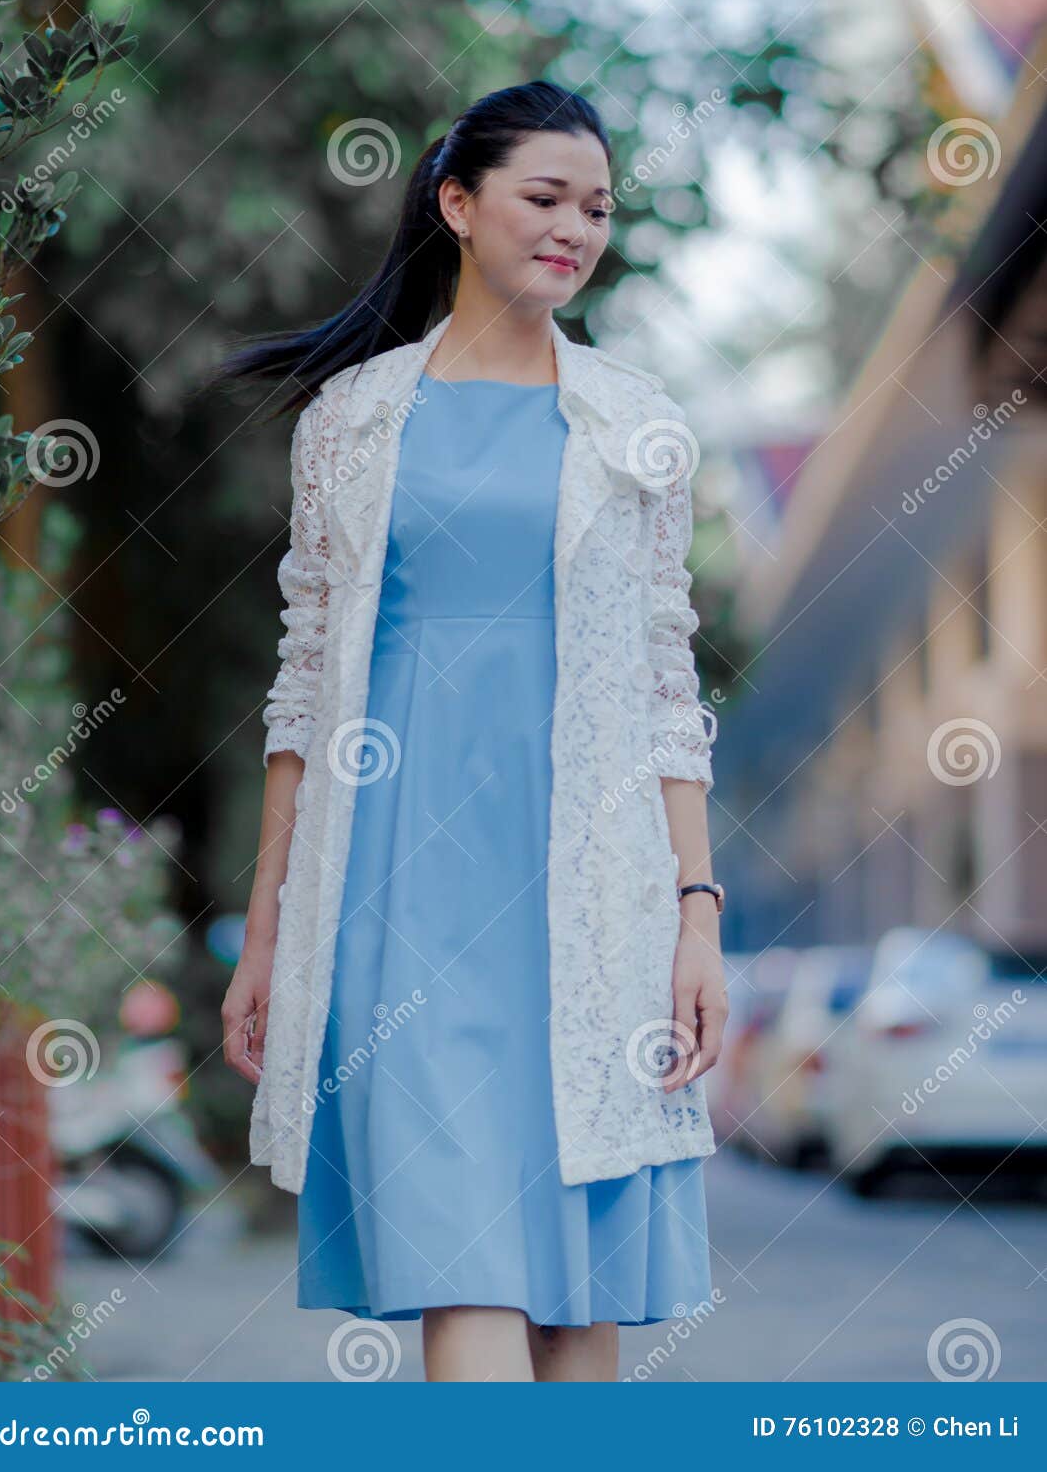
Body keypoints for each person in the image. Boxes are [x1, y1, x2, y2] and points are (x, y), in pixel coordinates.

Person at [217, 79, 728, 1382]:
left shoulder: (634, 425)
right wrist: (269, 920)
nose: (575, 228)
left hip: (590, 889)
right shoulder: (355, 420)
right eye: (544, 197)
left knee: (578, 1292)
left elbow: (668, 679)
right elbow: (304, 682)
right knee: (466, 1261)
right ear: (458, 203)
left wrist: (698, 910)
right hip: (400, 887)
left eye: (597, 208)